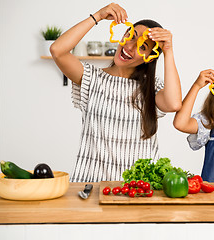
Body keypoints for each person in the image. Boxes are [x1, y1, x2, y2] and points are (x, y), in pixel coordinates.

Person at [50, 3, 182, 182]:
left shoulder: (151, 88)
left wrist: (168, 50)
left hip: (138, 189)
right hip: (92, 185)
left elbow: (174, 104)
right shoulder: (91, 77)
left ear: (149, 58)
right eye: (130, 36)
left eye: (143, 47)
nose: (130, 46)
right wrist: (97, 16)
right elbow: (57, 50)